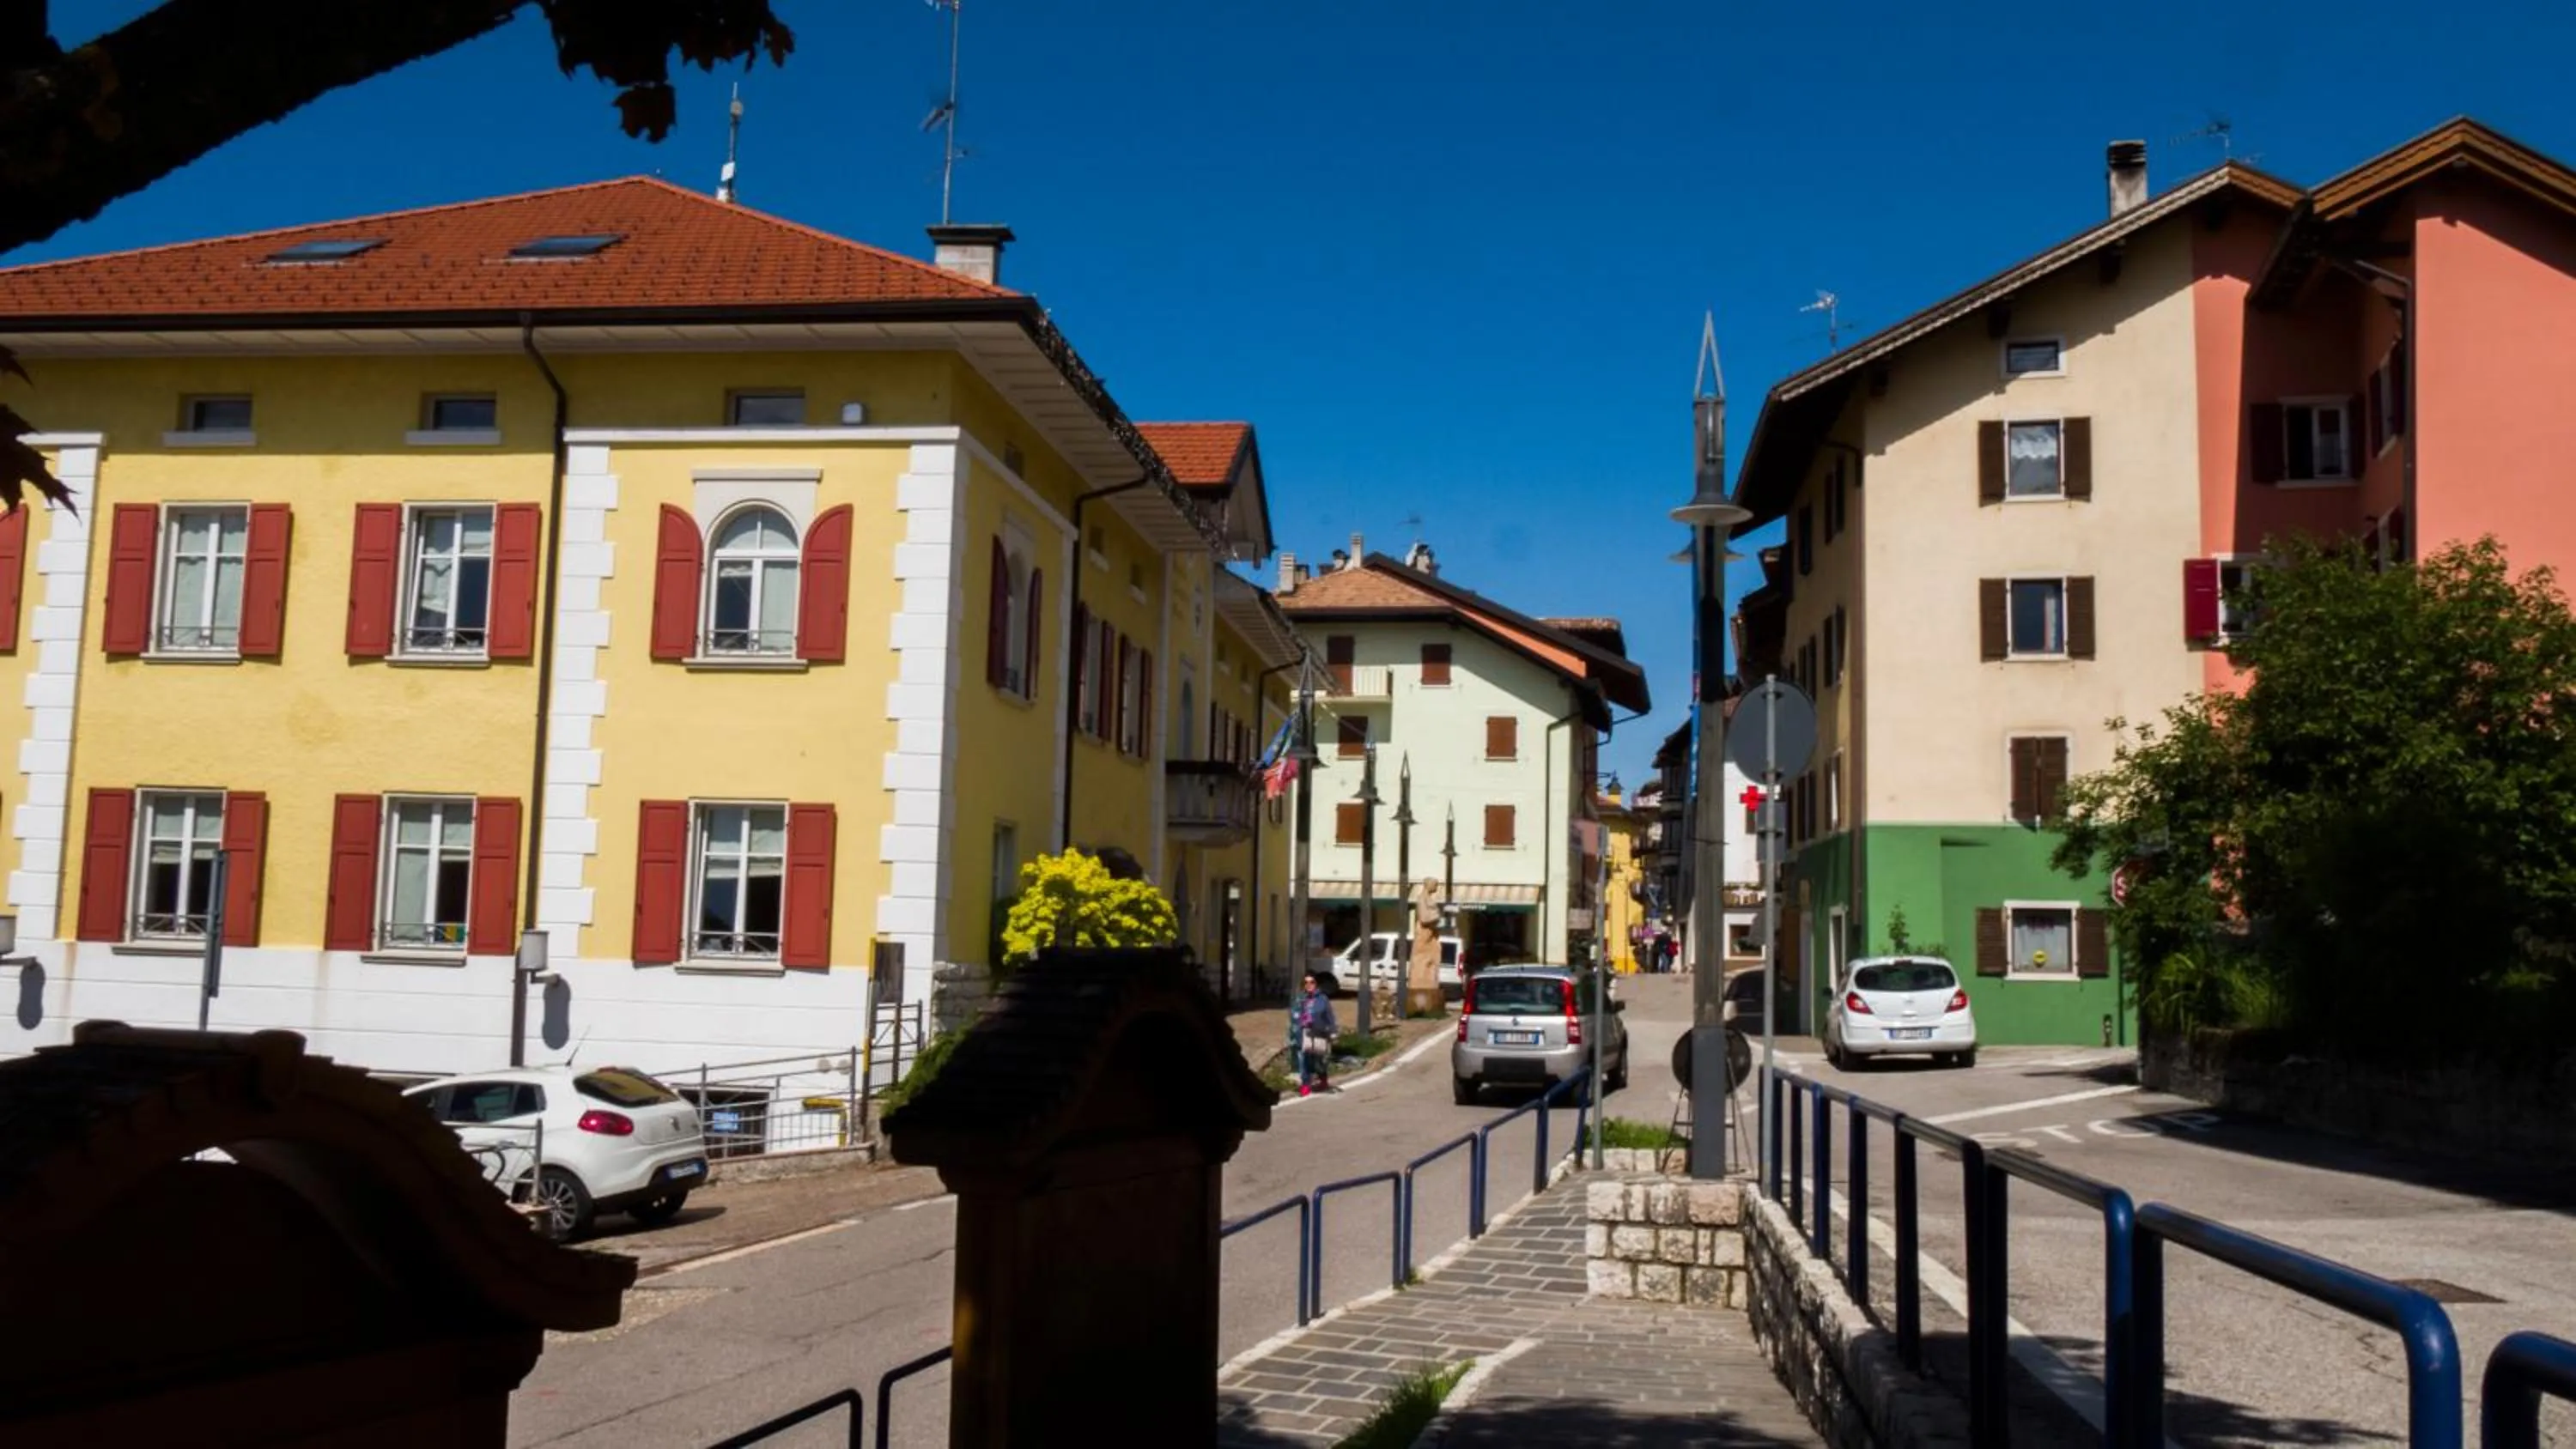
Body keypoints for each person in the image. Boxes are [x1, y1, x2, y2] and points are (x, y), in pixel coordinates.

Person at [1293, 973, 1340, 1096]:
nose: (1309, 985)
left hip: (1320, 1033)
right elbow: (1295, 1015)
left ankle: (1323, 1080)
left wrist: (1333, 1031)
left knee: (1319, 1061)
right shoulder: (1300, 998)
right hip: (1305, 1033)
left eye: (1312, 982)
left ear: (1316, 984)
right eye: (1306, 983)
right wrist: (1296, 1029)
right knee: (1304, 1060)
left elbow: (1330, 1016)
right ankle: (1305, 1085)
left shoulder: (1322, 999)